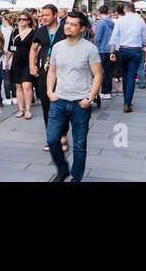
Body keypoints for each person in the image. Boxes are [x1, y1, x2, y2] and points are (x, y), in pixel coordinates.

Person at [46, 11, 102, 182]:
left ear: (82, 28)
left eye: (72, 24)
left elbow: (98, 75)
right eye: (67, 23)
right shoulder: (57, 47)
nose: (67, 26)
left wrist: (90, 98)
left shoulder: (90, 49)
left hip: (80, 103)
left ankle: (76, 178)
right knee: (52, 139)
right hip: (59, 101)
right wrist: (50, 91)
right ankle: (62, 169)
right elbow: (52, 70)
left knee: (79, 145)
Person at [29, 4, 66, 138]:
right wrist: (32, 66)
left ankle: (62, 135)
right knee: (46, 106)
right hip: (44, 72)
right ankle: (51, 137)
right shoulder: (40, 31)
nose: (43, 18)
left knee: (62, 106)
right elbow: (33, 49)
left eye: (47, 15)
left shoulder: (64, 29)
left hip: (63, 73)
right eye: (42, 15)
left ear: (55, 15)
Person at [109, 3, 146, 111]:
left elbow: (114, 36)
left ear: (125, 9)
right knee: (131, 76)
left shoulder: (121, 20)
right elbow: (144, 38)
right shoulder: (140, 20)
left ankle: (126, 100)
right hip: (135, 50)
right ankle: (127, 102)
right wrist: (143, 45)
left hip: (123, 49)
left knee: (125, 75)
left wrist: (112, 52)